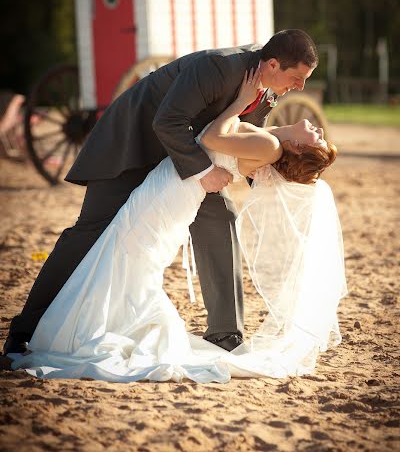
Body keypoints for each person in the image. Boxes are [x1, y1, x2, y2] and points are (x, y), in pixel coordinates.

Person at [6, 70, 345, 382]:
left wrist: (241, 102)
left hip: (179, 185)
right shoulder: (270, 140)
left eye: (316, 138)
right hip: (179, 183)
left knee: (131, 247)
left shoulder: (270, 145)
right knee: (131, 250)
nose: (317, 129)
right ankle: (103, 320)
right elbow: (239, 148)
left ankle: (95, 326)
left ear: (298, 148)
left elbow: (212, 138)